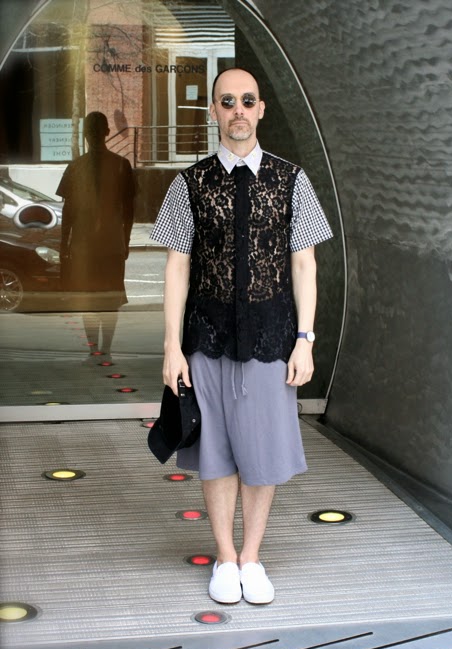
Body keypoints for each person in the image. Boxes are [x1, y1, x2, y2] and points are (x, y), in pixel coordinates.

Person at [151, 68, 332, 605]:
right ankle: (225, 559)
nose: (238, 110)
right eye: (227, 101)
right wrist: (170, 346)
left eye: (247, 101)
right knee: (215, 451)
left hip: (271, 338)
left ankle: (252, 557)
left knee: (262, 451)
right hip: (205, 339)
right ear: (213, 111)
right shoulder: (188, 183)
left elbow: (305, 265)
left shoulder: (292, 180)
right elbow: (177, 267)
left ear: (261, 109)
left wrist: (305, 339)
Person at [57, 111, 134, 357]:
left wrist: (64, 244)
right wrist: (125, 240)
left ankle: (94, 350)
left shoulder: (76, 167)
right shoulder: (121, 165)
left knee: (89, 299)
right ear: (107, 132)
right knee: (110, 299)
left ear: (85, 135)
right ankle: (106, 348)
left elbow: (68, 211)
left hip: (84, 246)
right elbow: (129, 210)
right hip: (111, 244)